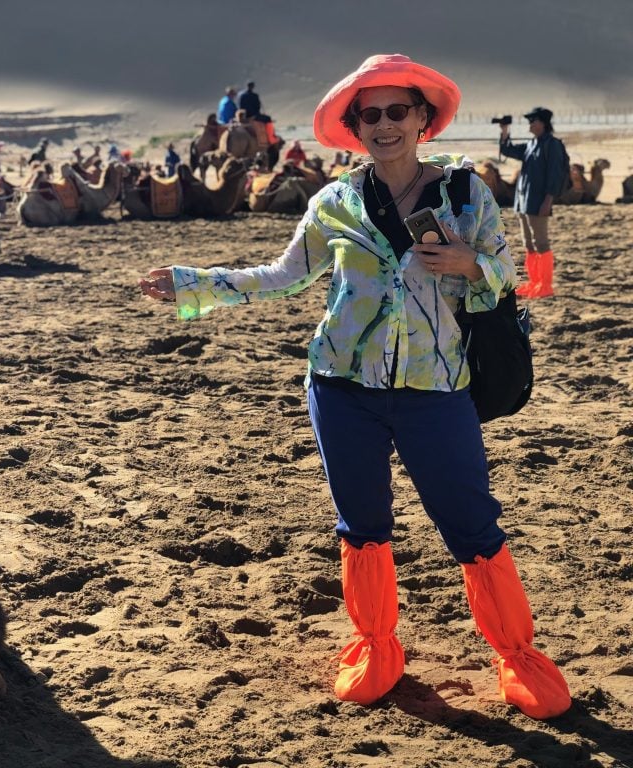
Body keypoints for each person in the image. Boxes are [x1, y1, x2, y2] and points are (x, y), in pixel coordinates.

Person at [139, 53, 571, 721]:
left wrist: (468, 263)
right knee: (363, 526)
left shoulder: (464, 194)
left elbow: (510, 278)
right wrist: (192, 282)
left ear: (423, 118)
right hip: (341, 387)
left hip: (438, 389)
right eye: (370, 114)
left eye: (399, 110)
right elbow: (282, 276)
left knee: (471, 524)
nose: (385, 124)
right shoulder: (334, 202)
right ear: (355, 126)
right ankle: (376, 647)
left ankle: (518, 657)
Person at [499, 107, 568, 298]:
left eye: (533, 121)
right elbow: (508, 150)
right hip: (523, 200)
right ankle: (534, 282)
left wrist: (549, 200)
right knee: (528, 242)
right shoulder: (532, 144)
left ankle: (545, 285)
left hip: (539, 201)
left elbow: (555, 173)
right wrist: (504, 131)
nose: (530, 124)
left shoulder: (552, 145)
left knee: (541, 242)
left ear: (543, 123)